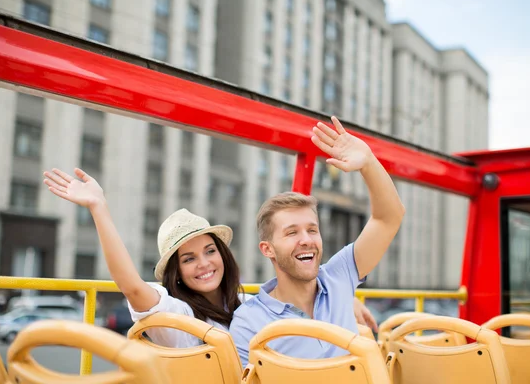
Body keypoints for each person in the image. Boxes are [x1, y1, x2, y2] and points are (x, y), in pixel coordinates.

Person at [42, 157, 376, 347]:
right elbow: (131, 286)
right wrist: (99, 208)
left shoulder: (243, 306)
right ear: (176, 273)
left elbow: (295, 294)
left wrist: (344, 298)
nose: (203, 264)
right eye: (188, 259)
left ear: (223, 256)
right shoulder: (175, 315)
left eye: (209, 251)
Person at [229, 116, 405, 366]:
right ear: (267, 249)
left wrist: (368, 162)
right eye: (292, 233)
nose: (306, 240)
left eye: (312, 230)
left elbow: (389, 218)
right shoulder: (249, 322)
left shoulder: (339, 276)